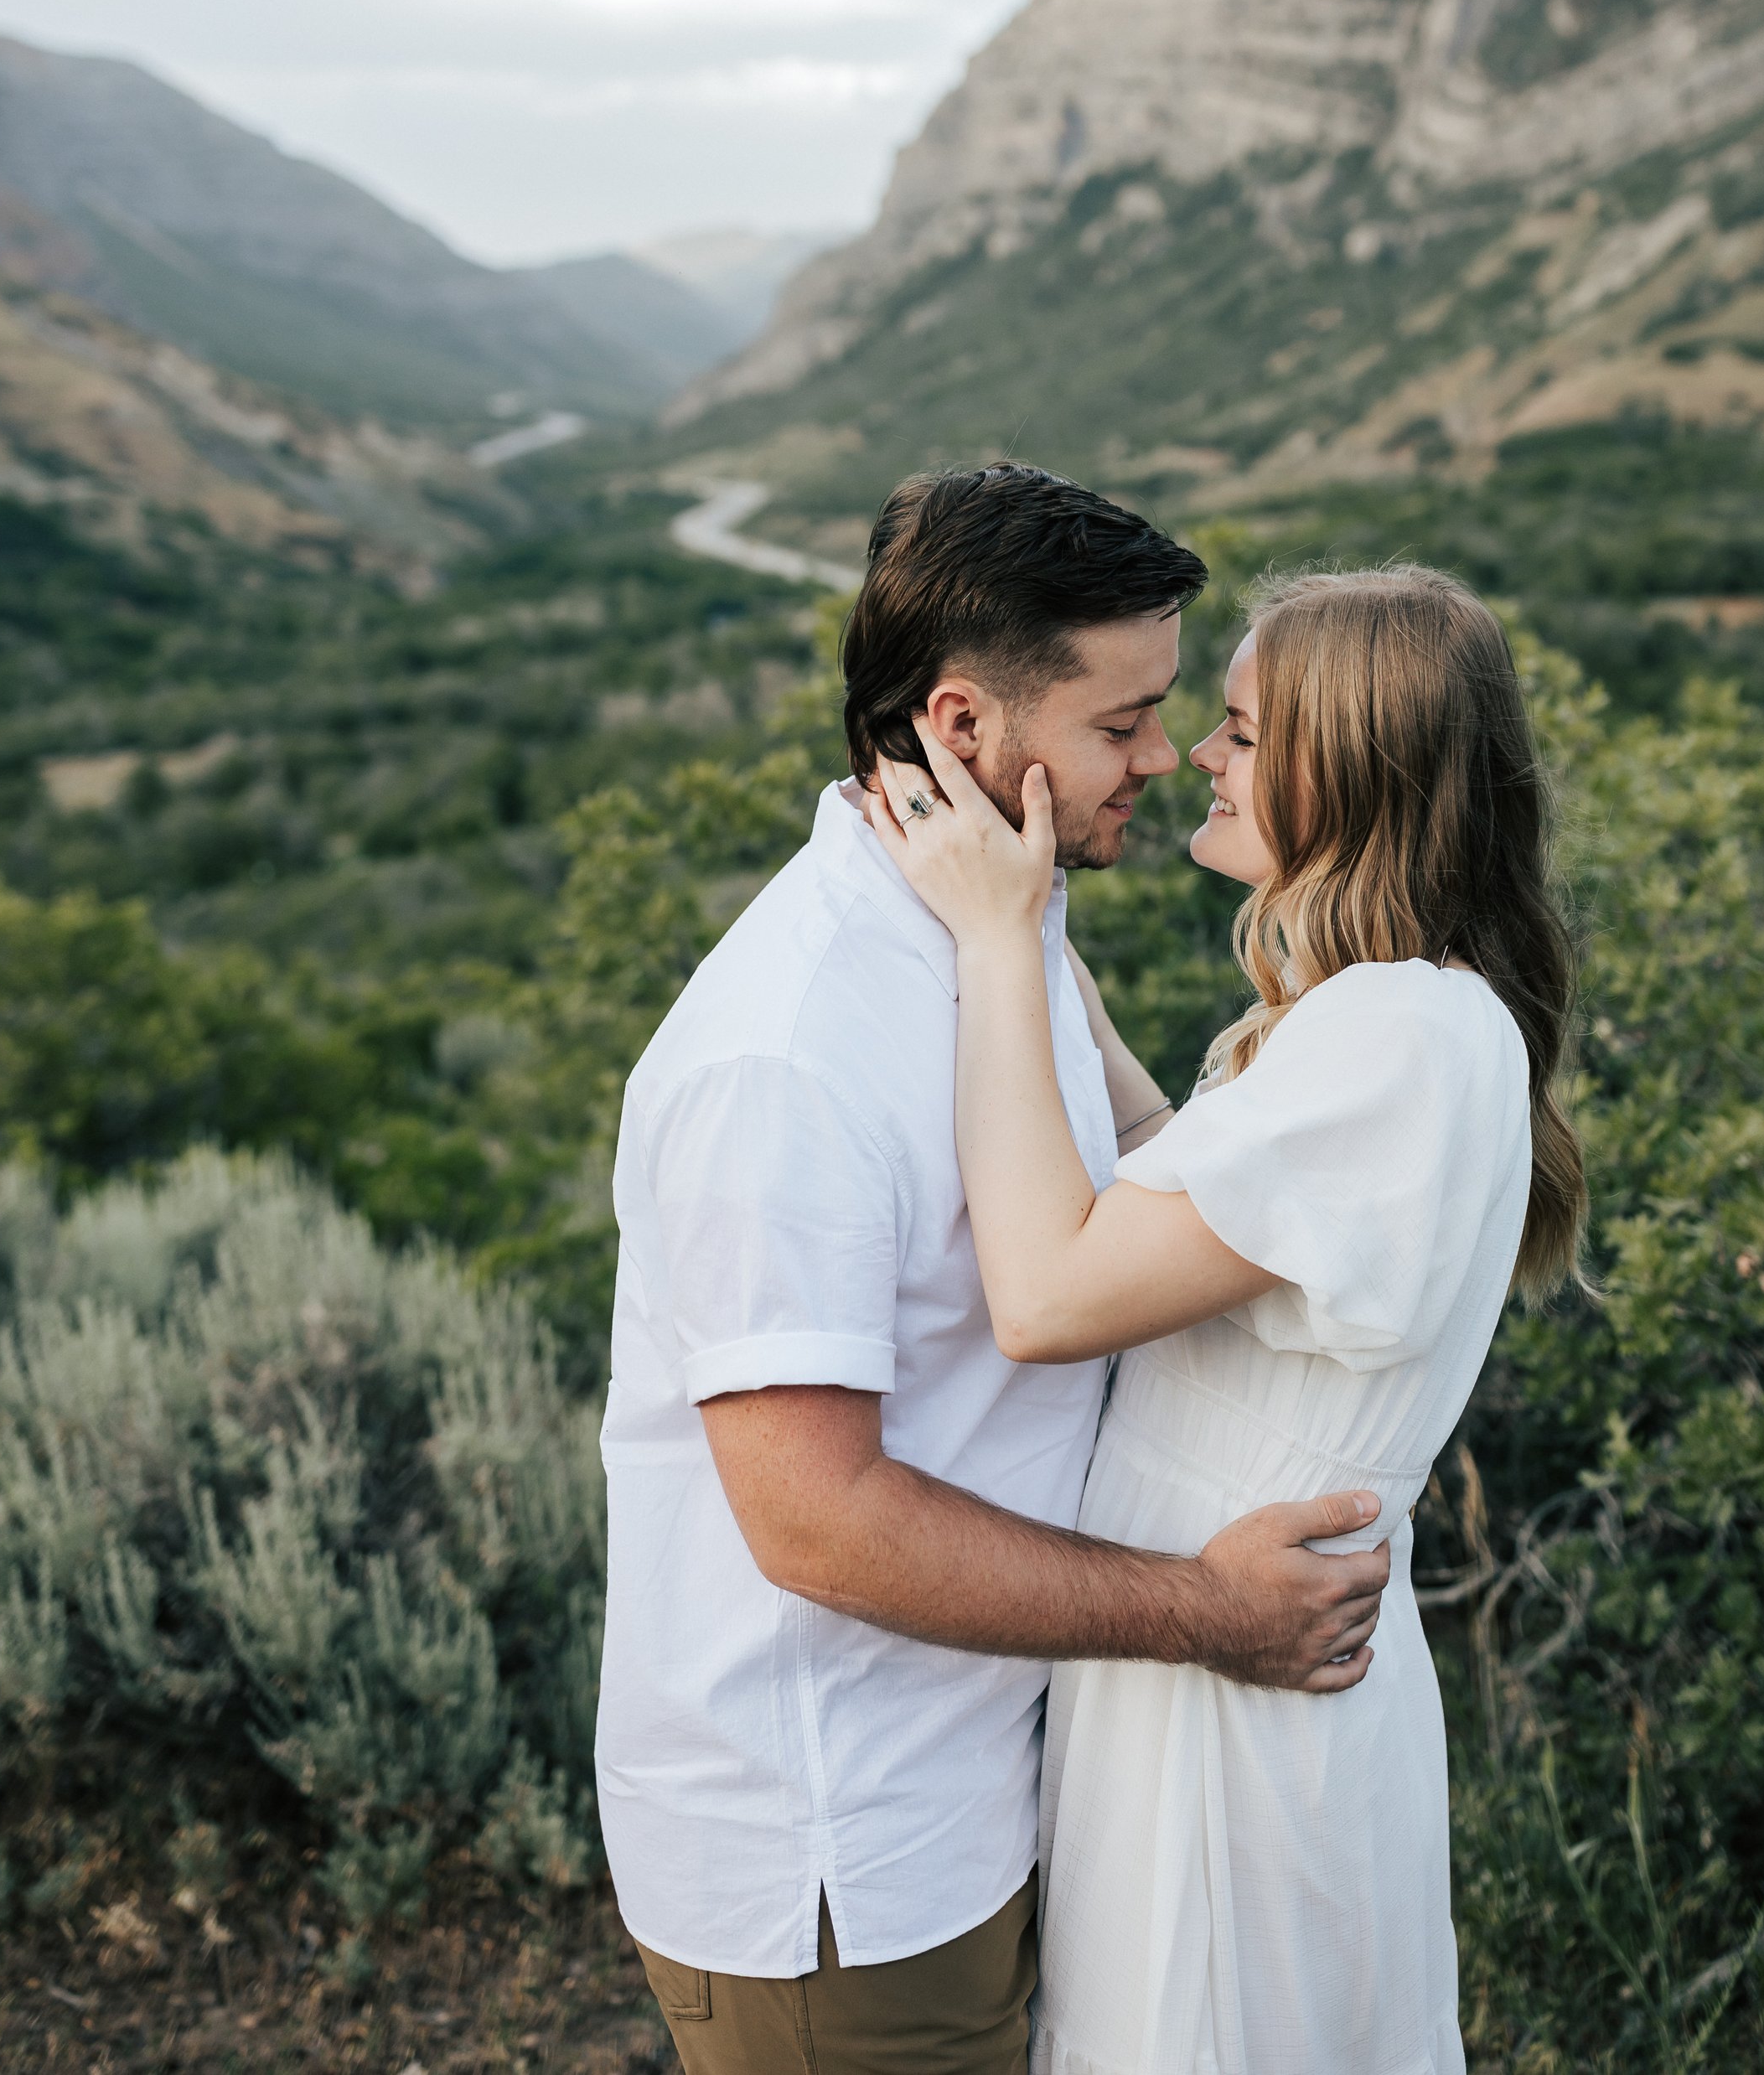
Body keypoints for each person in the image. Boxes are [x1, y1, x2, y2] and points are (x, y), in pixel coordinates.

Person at [597, 468, 1393, 2075]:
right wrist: (1206, 1615)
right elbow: (816, 1518)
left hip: (999, 1778)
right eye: (1124, 722)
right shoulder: (791, 1053)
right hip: (849, 1857)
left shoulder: (998, 913)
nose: (1163, 760)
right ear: (963, 728)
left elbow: (1155, 1185)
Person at [870, 561, 1586, 2075]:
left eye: (1247, 732)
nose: (1199, 752)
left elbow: (1054, 1292)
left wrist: (999, 951)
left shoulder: (1396, 1031)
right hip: (1215, 1645)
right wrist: (1041, 920)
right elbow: (1153, 1181)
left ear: (1357, 770)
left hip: (1245, 1673)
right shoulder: (1377, 1016)